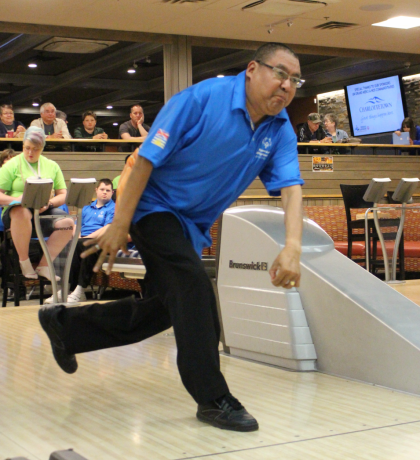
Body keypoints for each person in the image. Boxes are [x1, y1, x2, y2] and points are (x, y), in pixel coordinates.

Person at [39, 42, 305, 432]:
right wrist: (121, 223)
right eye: (280, 73)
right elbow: (145, 159)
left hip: (191, 226)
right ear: (252, 69)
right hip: (153, 207)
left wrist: (293, 246)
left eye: (295, 79)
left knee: (169, 306)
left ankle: (66, 326)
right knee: (194, 287)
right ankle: (213, 397)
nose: (287, 85)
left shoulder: (279, 129)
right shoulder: (200, 99)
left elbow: (292, 188)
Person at [0, 127, 74, 281]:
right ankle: (24, 261)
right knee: (22, 211)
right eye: (27, 148)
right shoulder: (11, 165)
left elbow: (63, 194)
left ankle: (44, 265)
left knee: (67, 223)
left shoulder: (51, 165)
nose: (30, 153)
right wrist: (19, 200)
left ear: (42, 148)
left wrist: (50, 203)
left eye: (35, 149)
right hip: (16, 213)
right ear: (22, 146)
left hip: (43, 211)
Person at [45, 179, 115, 304]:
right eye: (102, 189)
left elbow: (108, 228)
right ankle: (65, 288)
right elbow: (76, 224)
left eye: (108, 190)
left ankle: (80, 290)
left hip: (102, 241)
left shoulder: (113, 208)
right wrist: (76, 237)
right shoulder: (87, 207)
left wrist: (87, 238)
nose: (105, 192)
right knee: (70, 245)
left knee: (86, 245)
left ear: (112, 192)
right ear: (96, 190)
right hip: (82, 240)